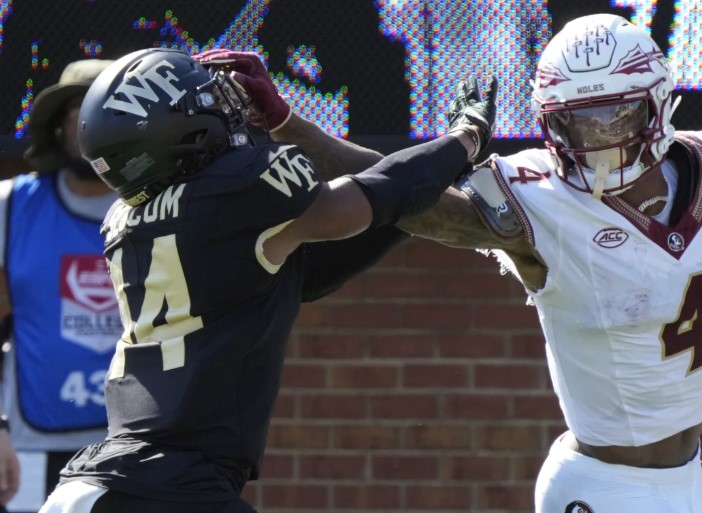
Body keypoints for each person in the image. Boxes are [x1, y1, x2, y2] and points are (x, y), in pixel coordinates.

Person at [393, 14, 702, 513]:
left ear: (657, 100)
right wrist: (298, 134)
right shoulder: (539, 194)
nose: (599, 138)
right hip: (601, 484)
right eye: (579, 121)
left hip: (681, 475)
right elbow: (409, 207)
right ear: (550, 120)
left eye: (617, 116)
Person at [37, 47, 496, 512]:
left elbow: (310, 274)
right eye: (210, 101)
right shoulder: (236, 188)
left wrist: (431, 181)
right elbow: (363, 201)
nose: (226, 107)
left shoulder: (127, 220)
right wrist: (464, 138)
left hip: (98, 482)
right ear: (182, 128)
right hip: (168, 484)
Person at [0, 58, 117, 509]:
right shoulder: (12, 207)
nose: (90, 126)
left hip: (136, 446)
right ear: (57, 125)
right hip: (29, 444)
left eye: (107, 112)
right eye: (79, 113)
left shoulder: (165, 211)